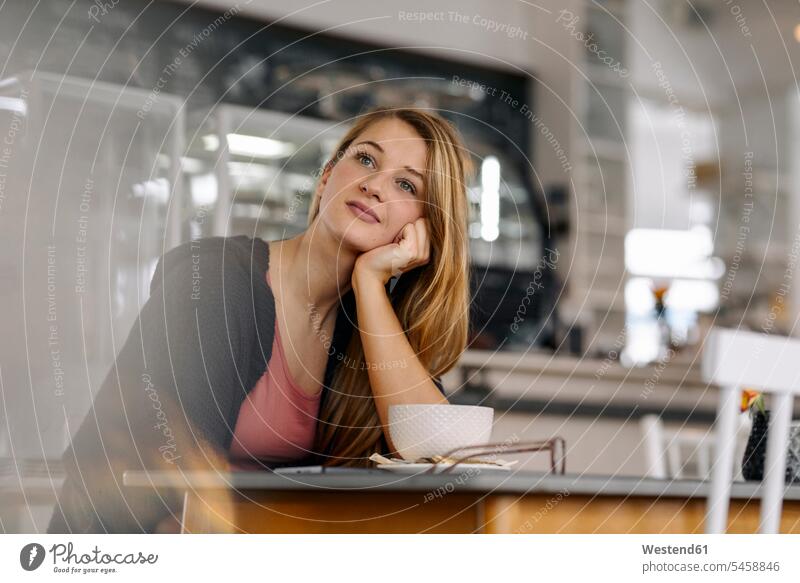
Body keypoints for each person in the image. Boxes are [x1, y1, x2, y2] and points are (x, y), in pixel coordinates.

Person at [47, 106, 474, 533]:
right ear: (327, 176)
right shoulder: (217, 280)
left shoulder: (362, 330)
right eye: (365, 159)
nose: (374, 185)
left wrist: (369, 284)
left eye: (405, 184)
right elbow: (176, 489)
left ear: (423, 232)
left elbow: (445, 458)